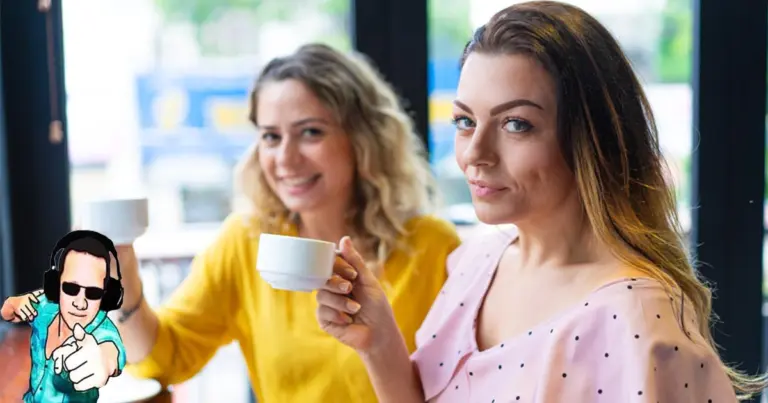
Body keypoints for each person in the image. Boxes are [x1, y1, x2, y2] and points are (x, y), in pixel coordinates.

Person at [315, 2, 767, 402]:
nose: (475, 153)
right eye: (465, 120)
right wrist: (378, 344)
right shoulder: (476, 262)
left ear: (592, 138)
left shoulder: (636, 317)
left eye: (516, 125)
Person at [112, 43, 461, 402]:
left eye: (311, 132)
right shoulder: (246, 242)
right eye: (271, 137)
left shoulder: (433, 248)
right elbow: (161, 359)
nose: (286, 159)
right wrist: (125, 274)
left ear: (362, 139)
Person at [1, 230, 127, 403]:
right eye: (71, 289)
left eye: (93, 292)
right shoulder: (44, 306)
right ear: (56, 285)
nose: (80, 303)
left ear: (106, 295)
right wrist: (15, 303)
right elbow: (6, 312)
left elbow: (112, 353)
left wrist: (104, 362)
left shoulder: (104, 330)